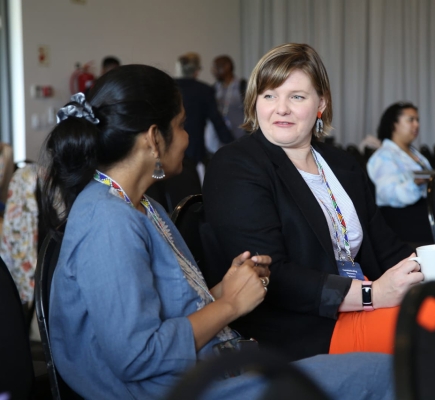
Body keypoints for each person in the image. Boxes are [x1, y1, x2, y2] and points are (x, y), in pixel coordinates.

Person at [41, 64, 395, 400]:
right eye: (181, 125)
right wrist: (228, 305)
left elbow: (162, 315)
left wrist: (221, 290)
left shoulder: (142, 205)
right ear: (154, 139)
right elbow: (139, 357)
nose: (187, 137)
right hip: (172, 389)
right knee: (384, 374)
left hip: (203, 372)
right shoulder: (108, 220)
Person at [202, 44, 435, 361]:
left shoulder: (341, 163)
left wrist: (424, 277)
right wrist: (372, 294)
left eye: (296, 96)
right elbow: (272, 277)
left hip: (363, 302)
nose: (281, 108)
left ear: (321, 103)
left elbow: (385, 244)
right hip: (302, 327)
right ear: (255, 102)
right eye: (269, 95)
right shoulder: (237, 164)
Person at [367, 102, 435, 209]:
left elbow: (431, 180)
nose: (416, 125)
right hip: (406, 217)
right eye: (411, 120)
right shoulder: (384, 156)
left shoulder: (414, 153)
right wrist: (414, 184)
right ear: (394, 124)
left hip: (429, 209)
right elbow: (387, 195)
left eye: (417, 120)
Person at [176, 52, 234, 166]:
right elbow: (216, 120)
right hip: (195, 151)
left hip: (171, 149)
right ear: (196, 71)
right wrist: (234, 144)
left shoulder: (168, 88)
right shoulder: (204, 90)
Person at [205, 55, 247, 154]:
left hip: (240, 140)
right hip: (218, 143)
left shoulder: (242, 86)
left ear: (227, 67)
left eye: (216, 67)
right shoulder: (214, 88)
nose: (213, 71)